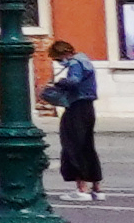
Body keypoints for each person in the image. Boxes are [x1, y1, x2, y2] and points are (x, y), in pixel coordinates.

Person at [42, 34, 106, 194]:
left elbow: (74, 81)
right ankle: (96, 186)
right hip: (88, 107)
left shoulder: (75, 63)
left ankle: (81, 187)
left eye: (57, 59)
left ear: (63, 54)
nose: (58, 62)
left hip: (76, 106)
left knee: (72, 145)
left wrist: (58, 83)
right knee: (87, 146)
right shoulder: (86, 61)